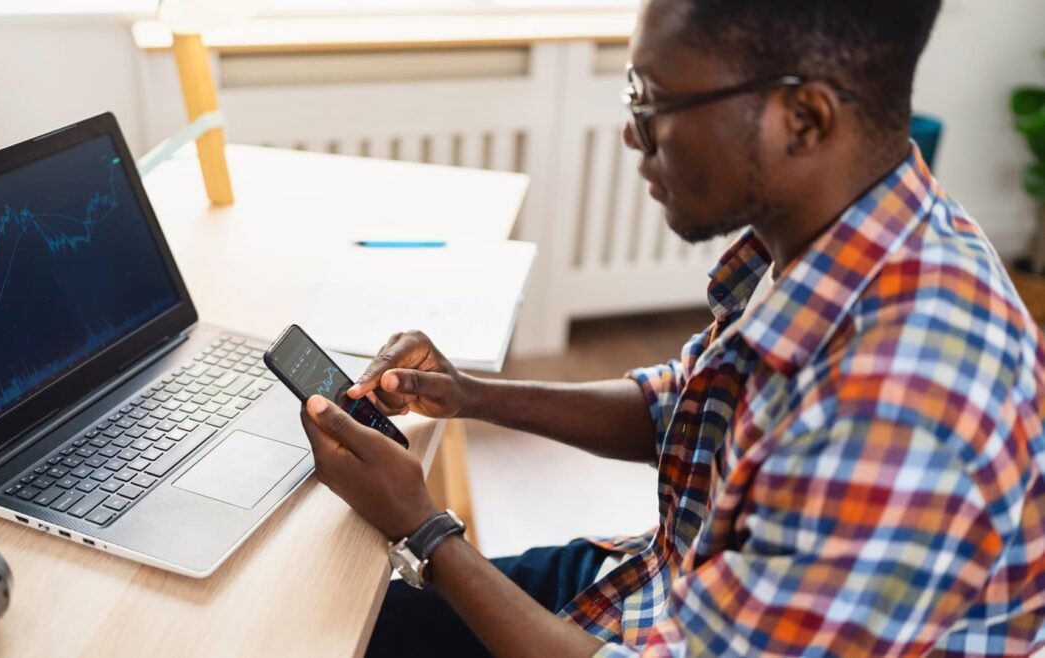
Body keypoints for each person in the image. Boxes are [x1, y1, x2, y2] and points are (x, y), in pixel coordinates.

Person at [298, 0, 1045, 655]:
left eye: (652, 100)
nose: (633, 133)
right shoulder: (836, 237)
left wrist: (422, 527)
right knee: (333, 621)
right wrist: (469, 396)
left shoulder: (903, 412)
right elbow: (684, 407)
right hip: (656, 588)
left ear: (804, 118)